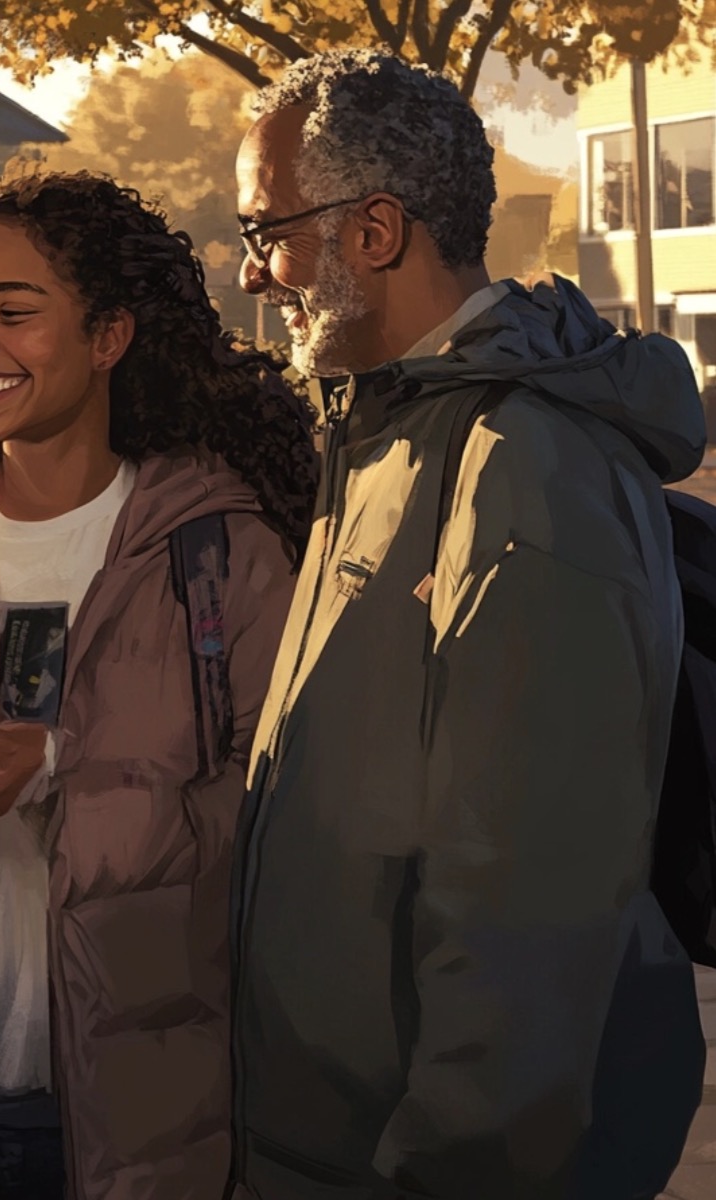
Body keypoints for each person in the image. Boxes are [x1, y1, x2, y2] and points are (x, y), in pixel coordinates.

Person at [229, 48, 707, 1200]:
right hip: (323, 1144)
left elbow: (526, 911)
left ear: (375, 231)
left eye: (269, 232)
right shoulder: (386, 429)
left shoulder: (522, 470)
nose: (254, 275)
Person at [0, 170, 319, 1200]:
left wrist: (60, 770)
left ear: (109, 337)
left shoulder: (222, 557)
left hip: (139, 1136)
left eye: (13, 312)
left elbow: (283, 818)